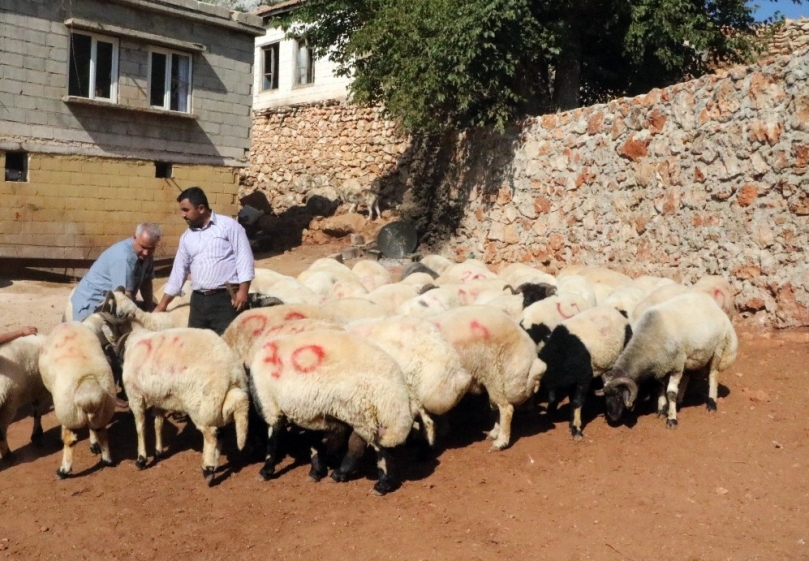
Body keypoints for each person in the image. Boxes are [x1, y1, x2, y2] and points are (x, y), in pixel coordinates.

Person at [154, 186, 254, 335]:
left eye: (186, 210)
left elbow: (244, 258)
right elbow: (178, 273)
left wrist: (243, 291)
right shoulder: (186, 237)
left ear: (201, 208)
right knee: (198, 345)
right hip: (198, 302)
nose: (182, 215)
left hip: (225, 300)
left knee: (228, 343)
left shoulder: (228, 226)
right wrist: (162, 306)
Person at [70, 223, 162, 321]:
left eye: (151, 248)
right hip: (93, 303)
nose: (146, 252)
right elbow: (124, 296)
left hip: (114, 301)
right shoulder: (123, 258)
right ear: (134, 237)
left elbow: (146, 283)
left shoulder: (146, 256)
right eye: (143, 247)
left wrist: (151, 310)